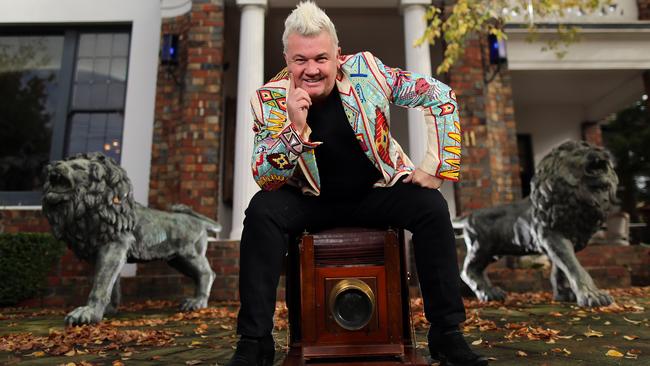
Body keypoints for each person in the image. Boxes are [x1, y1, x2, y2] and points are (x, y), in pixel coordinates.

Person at [226, 2, 488, 366]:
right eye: (300, 61)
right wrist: (295, 128)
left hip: (373, 193)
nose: (312, 69)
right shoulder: (269, 99)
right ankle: (254, 342)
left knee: (431, 207)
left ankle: (447, 334)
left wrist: (437, 166)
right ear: (286, 58)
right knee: (260, 211)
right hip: (308, 201)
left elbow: (439, 94)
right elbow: (266, 177)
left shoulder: (368, 71)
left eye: (321, 58)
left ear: (337, 53)